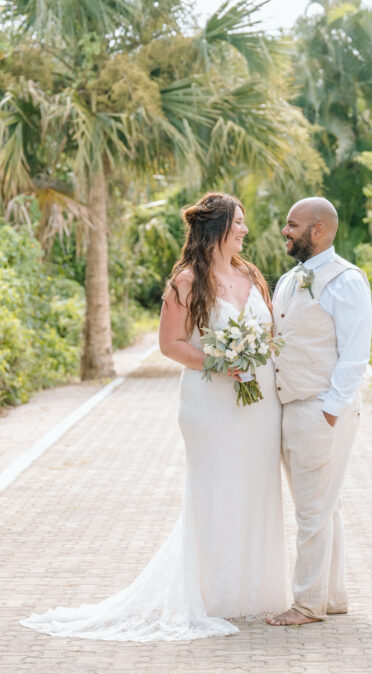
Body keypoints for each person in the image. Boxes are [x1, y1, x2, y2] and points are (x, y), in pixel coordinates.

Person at [21, 192, 289, 642]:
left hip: (259, 403)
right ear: (217, 227)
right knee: (215, 491)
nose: (245, 230)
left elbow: (270, 330)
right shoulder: (186, 281)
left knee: (256, 489)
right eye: (238, 222)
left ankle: (251, 592)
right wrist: (221, 363)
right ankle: (211, 594)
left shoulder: (250, 274)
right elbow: (171, 345)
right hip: (209, 404)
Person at [266, 196, 372, 627]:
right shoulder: (289, 280)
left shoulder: (346, 280)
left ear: (319, 230)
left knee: (311, 511)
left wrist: (329, 412)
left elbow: (355, 353)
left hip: (321, 411)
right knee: (326, 507)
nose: (285, 232)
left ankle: (307, 604)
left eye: (293, 225)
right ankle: (332, 597)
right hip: (293, 408)